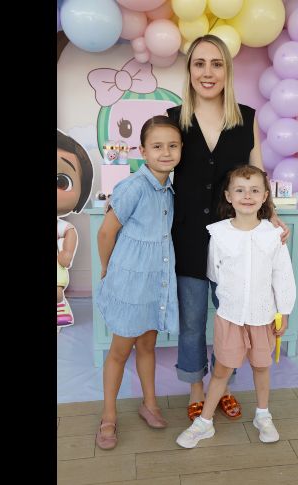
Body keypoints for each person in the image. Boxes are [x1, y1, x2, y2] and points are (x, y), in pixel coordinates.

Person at [166, 34, 290, 422]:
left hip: (236, 241)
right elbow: (158, 171)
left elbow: (257, 173)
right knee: (191, 323)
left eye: (216, 64)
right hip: (188, 238)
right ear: (189, 71)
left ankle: (224, 387)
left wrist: (271, 215)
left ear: (228, 71)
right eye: (199, 63)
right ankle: (196, 390)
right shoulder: (174, 119)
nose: (208, 72)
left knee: (233, 319)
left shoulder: (246, 118)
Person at [176, 165, 296, 448]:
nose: (247, 196)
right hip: (230, 316)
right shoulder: (219, 234)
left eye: (254, 190)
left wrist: (284, 311)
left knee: (261, 367)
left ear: (264, 196)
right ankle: (204, 423)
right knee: (222, 370)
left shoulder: (272, 235)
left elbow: (282, 274)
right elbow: (214, 272)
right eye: (240, 190)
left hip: (263, 316)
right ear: (229, 196)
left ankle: (263, 415)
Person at [93, 116, 182, 450]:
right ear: (142, 151)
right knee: (120, 350)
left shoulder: (170, 189)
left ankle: (150, 403)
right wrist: (107, 268)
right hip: (129, 283)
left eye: (173, 146)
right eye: (157, 146)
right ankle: (108, 416)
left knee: (147, 345)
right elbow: (106, 232)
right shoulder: (133, 187)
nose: (165, 153)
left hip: (155, 283)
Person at [57, 130, 94, 330]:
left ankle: (60, 308)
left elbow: (69, 231)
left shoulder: (60, 225)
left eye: (61, 182)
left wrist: (67, 252)